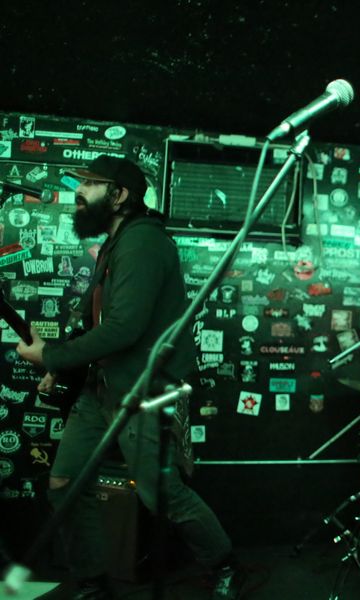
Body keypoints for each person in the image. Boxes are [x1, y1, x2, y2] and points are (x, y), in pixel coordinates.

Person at [16, 156, 243, 599]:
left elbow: (124, 329)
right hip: (101, 390)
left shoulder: (143, 243)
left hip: (143, 391)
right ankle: (94, 582)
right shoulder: (116, 243)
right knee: (65, 484)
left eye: (91, 183)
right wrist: (61, 364)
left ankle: (224, 564)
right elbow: (98, 321)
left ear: (119, 195)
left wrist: (52, 356)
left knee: (161, 494)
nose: (79, 191)